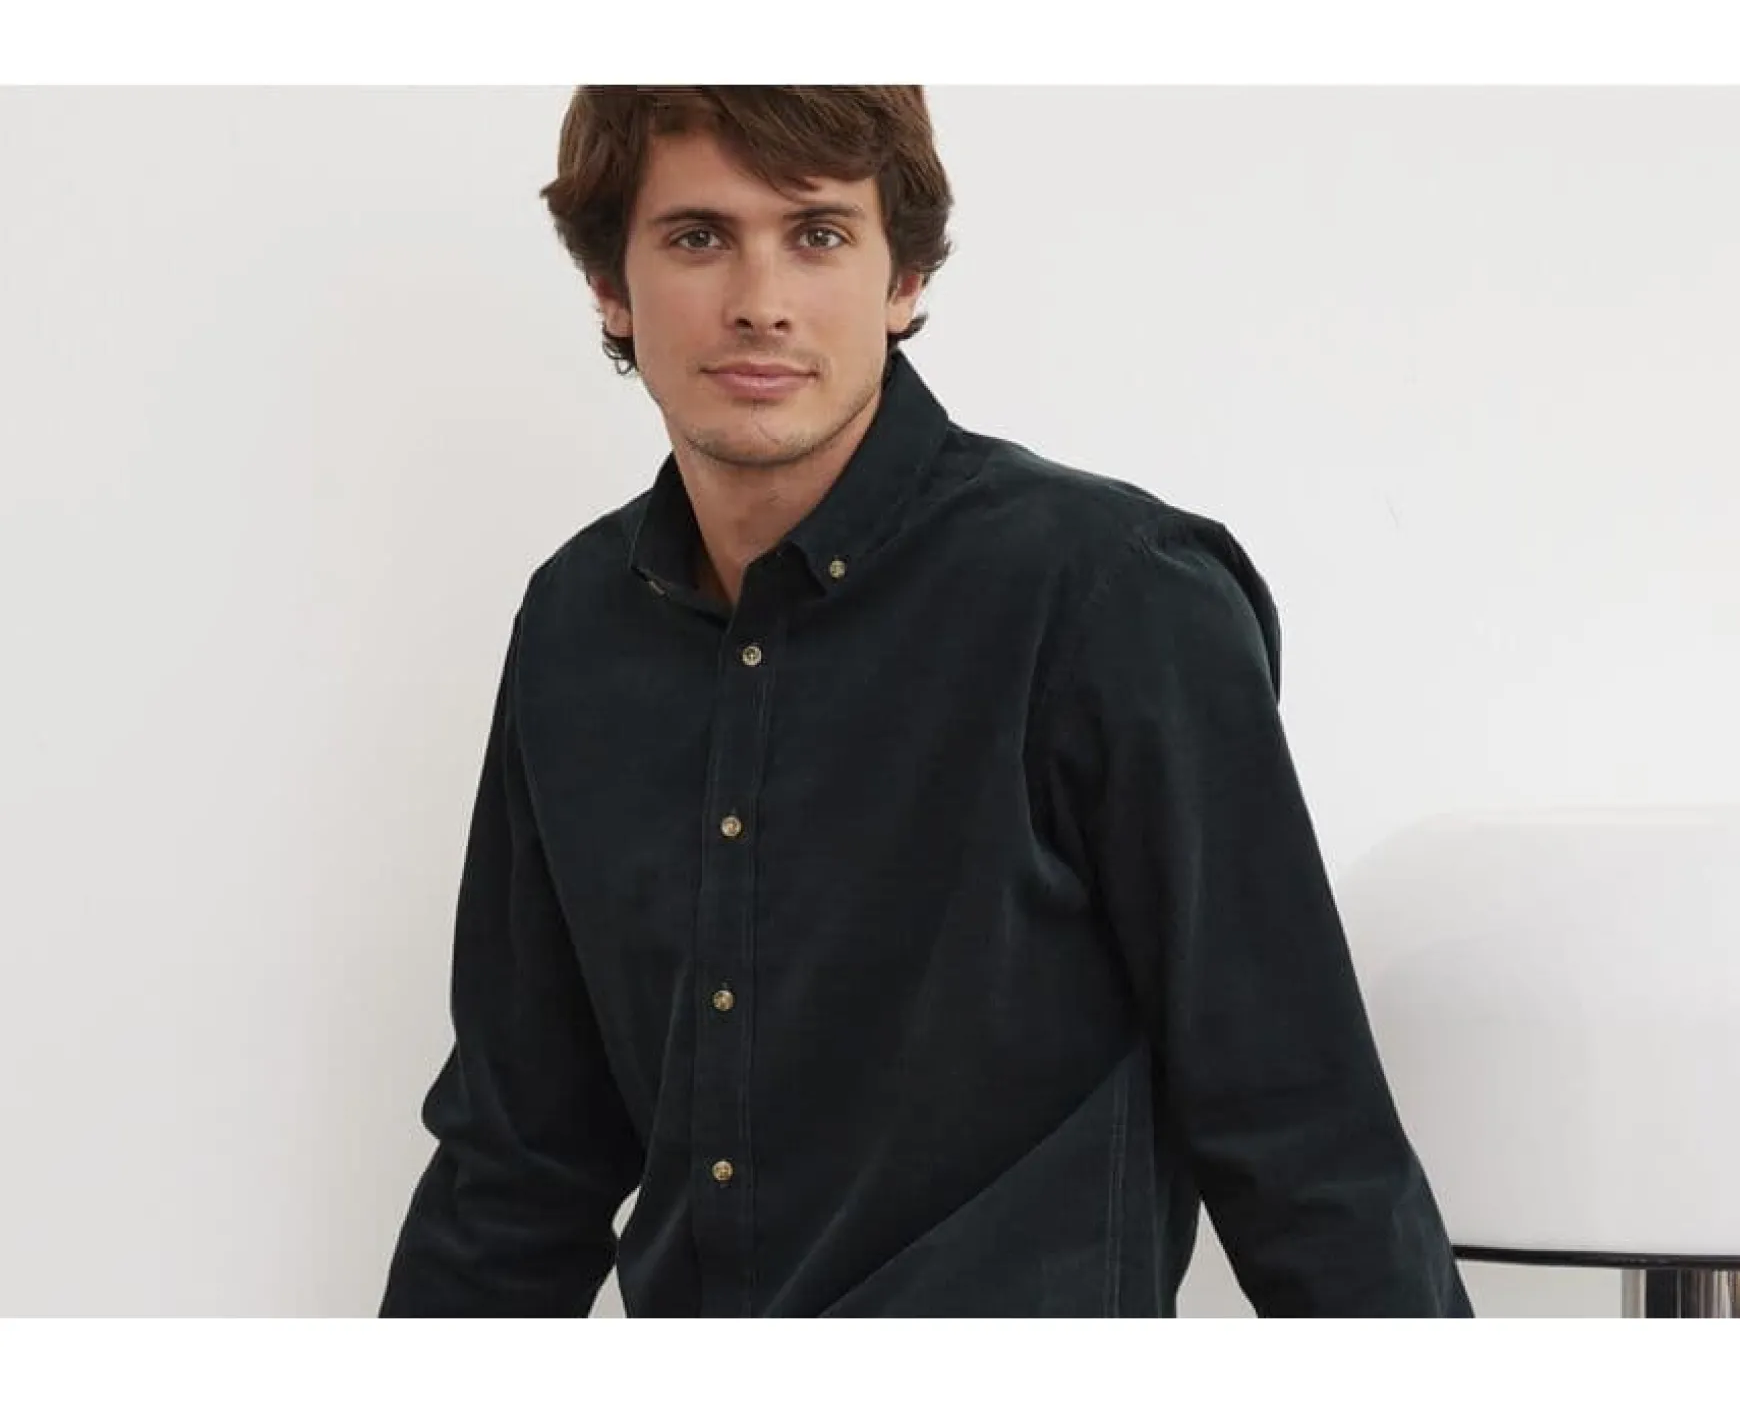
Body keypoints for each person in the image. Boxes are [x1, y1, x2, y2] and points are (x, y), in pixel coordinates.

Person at [378, 86, 1472, 1318]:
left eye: (818, 233)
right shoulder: (577, 624)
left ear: (902, 279)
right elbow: (518, 1157)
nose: (760, 300)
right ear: (609, 287)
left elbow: (1301, 1132)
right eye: (698, 236)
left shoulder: (1114, 597)